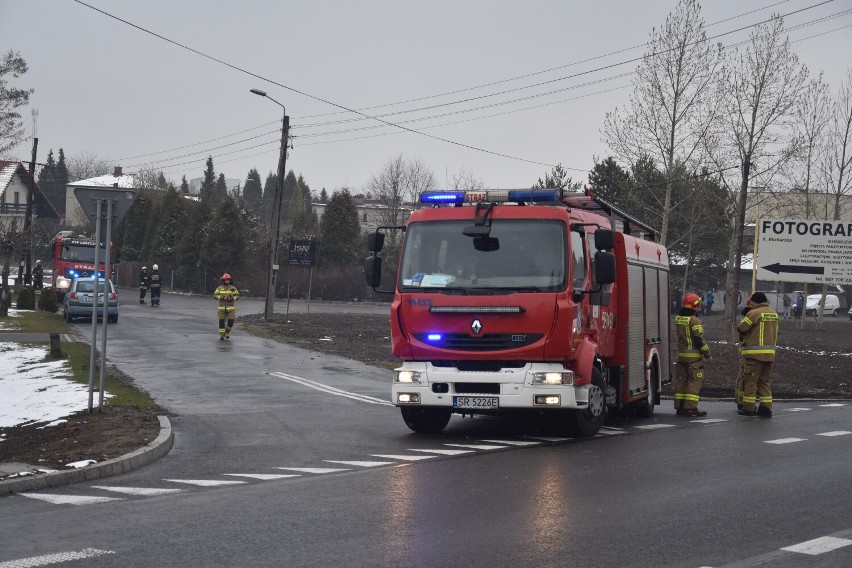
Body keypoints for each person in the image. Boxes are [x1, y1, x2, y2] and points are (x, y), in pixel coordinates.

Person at [737, 292, 779, 418]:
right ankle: (766, 409)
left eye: (752, 302)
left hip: (754, 356)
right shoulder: (774, 313)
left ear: (755, 302)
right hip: (769, 355)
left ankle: (749, 408)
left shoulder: (754, 313)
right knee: (764, 382)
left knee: (750, 382)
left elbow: (742, 328)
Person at [674, 292, 711, 417]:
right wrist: (707, 354)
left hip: (681, 357)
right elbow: (699, 340)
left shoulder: (679, 319)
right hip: (694, 358)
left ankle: (680, 406)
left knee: (681, 381)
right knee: (694, 381)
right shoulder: (695, 321)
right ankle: (690, 407)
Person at [734, 296, 755, 413]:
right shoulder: (748, 319)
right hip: (746, 353)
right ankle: (741, 401)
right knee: (744, 378)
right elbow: (742, 334)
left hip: (744, 352)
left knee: (742, 377)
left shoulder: (747, 317)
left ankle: (739, 399)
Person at [213, 272, 240, 340]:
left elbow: (237, 296)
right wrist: (221, 297)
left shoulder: (233, 288)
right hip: (221, 309)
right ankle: (222, 335)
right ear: (223, 280)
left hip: (230, 309)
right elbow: (215, 295)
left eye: (228, 280)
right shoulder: (219, 288)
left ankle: (227, 332)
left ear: (230, 280)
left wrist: (232, 298)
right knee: (221, 322)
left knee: (231, 322)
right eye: (226, 280)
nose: (227, 281)